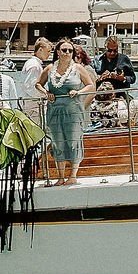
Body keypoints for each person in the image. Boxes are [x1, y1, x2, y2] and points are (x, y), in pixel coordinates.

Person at [38, 42, 96, 184]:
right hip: (54, 110)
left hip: (73, 110)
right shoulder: (50, 68)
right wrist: (46, 92)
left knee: (73, 141)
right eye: (64, 50)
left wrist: (78, 92)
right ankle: (60, 177)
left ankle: (73, 176)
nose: (67, 53)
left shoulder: (78, 68)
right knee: (58, 142)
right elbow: (38, 83)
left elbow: (90, 85)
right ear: (58, 51)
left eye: (70, 50)